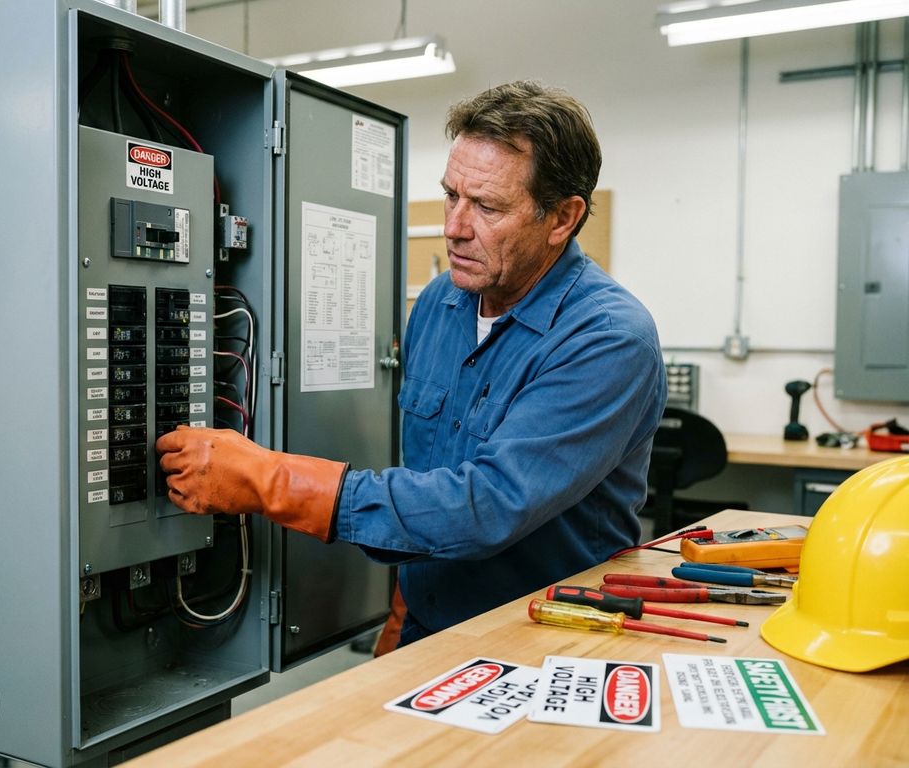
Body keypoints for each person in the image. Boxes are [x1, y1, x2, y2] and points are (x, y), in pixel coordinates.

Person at [156, 80, 667, 651]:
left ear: (562, 219)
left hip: (550, 643)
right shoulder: (441, 304)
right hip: (430, 631)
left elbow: (484, 505)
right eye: (452, 196)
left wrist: (268, 480)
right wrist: (399, 619)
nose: (454, 226)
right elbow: (426, 478)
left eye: (488, 207)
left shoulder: (607, 337)